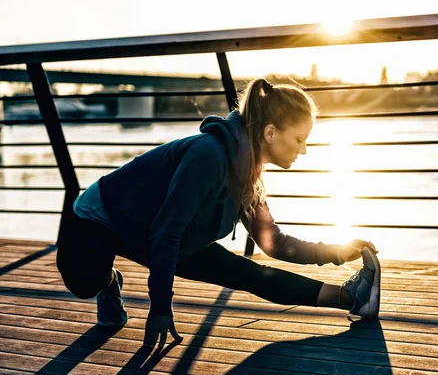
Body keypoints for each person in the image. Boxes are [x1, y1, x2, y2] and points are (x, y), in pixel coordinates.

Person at [56, 78, 381, 348]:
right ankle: (108, 281)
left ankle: (351, 298)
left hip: (164, 232)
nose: (303, 149)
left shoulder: (249, 173)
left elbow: (274, 244)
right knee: (83, 283)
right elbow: (166, 232)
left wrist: (339, 252)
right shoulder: (208, 156)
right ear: (270, 133)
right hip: (104, 217)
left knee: (248, 274)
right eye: (299, 139)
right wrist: (159, 307)